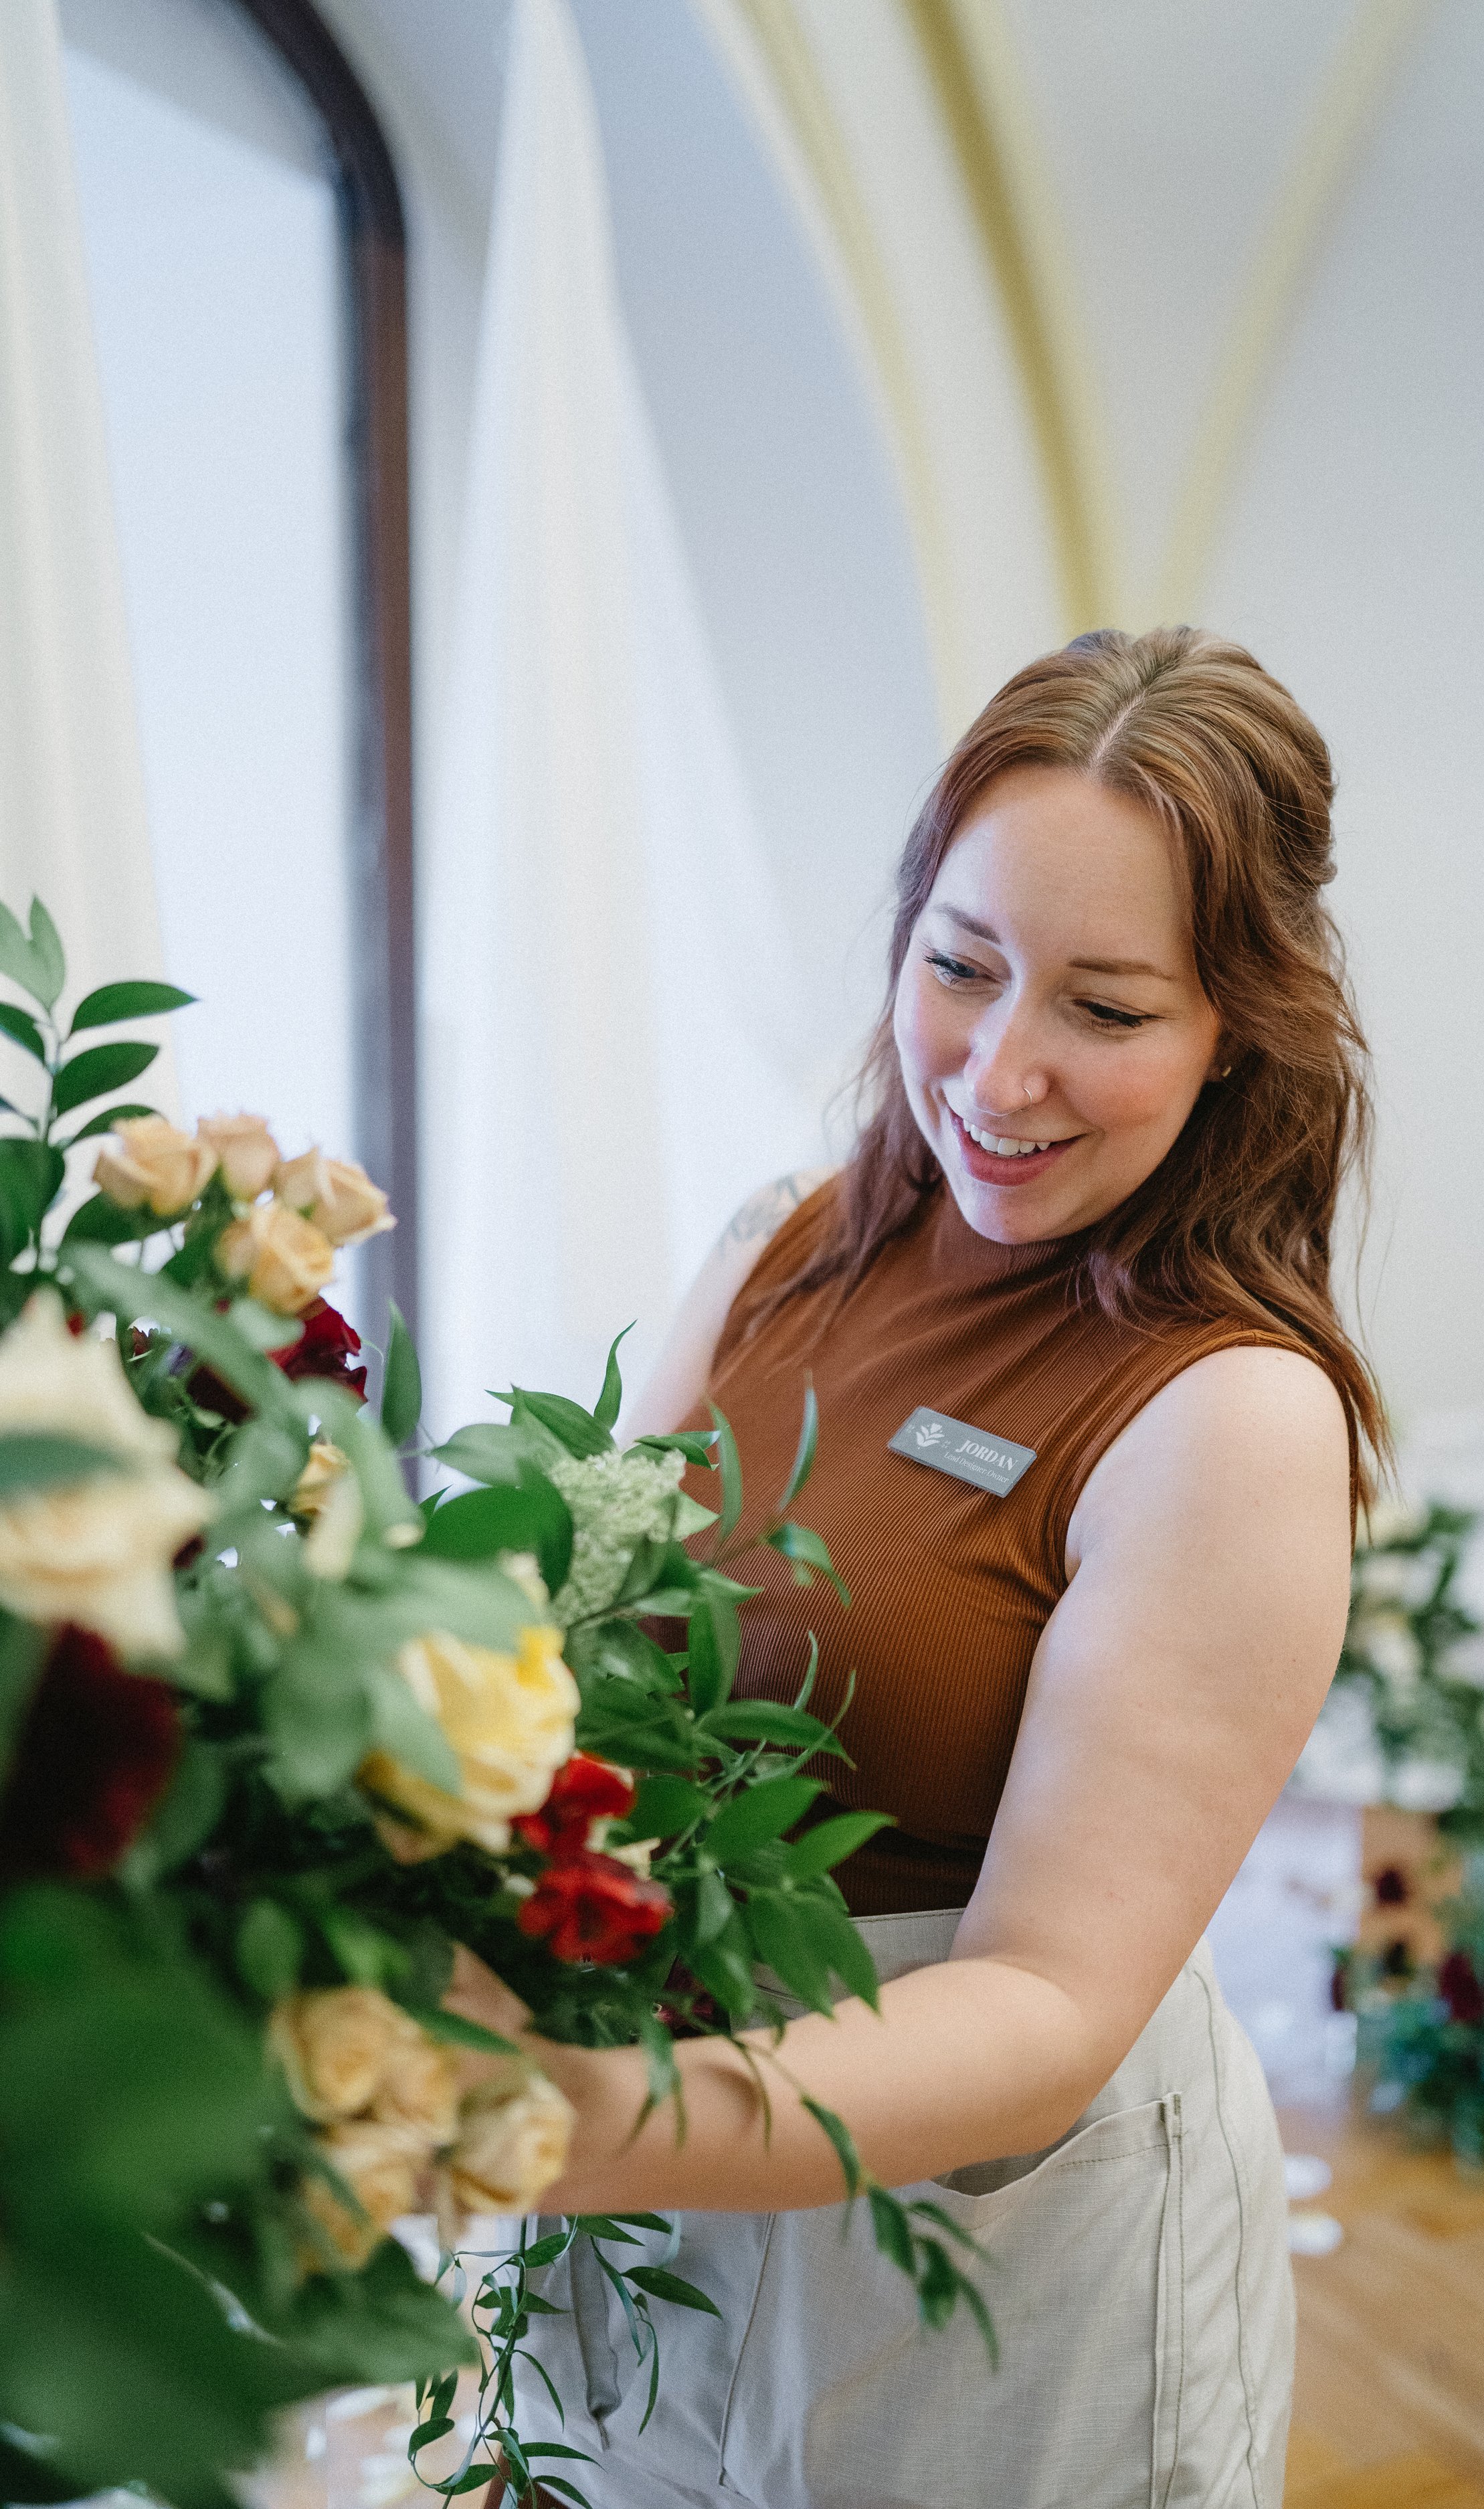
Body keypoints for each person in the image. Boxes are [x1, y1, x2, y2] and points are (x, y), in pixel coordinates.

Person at [457, 627, 1383, 2507]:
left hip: (978, 2244)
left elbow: (1043, 2005)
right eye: (960, 967)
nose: (1001, 1071)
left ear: (1235, 1034)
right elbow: (589, 1654)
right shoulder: (788, 1237)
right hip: (668, 2205)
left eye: (1107, 1012)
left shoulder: (1228, 1418)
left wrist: (581, 2123)